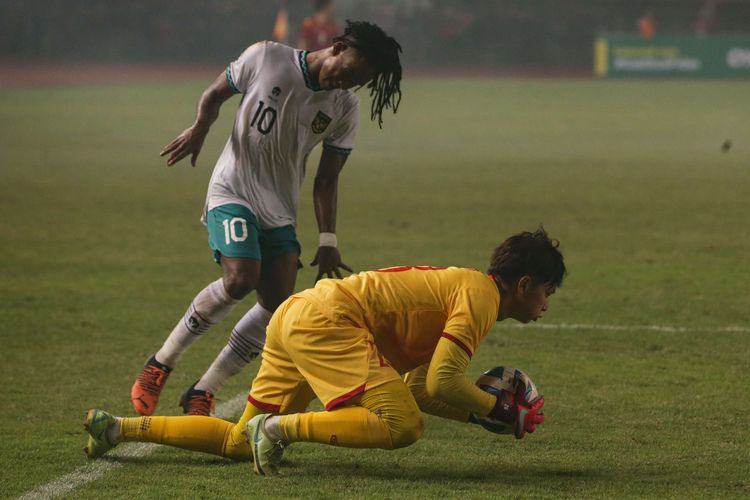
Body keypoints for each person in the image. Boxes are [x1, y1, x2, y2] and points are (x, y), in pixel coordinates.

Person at [86, 228, 565, 475]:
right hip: (330, 321)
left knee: (238, 440)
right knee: (403, 427)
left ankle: (117, 429)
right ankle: (277, 430)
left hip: (300, 314)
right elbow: (441, 383)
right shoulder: (480, 297)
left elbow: (420, 384)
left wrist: (478, 417)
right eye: (547, 291)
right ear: (523, 285)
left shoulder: (467, 290)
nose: (546, 303)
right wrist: (499, 406)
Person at [130, 20, 403, 417]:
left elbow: (327, 179)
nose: (344, 84)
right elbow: (214, 94)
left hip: (279, 207)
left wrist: (328, 239)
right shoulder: (266, 56)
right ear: (339, 46)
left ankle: (203, 390)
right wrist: (201, 129)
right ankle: (160, 363)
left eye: (355, 82)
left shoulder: (344, 107)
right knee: (241, 278)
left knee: (279, 305)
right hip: (233, 189)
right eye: (346, 72)